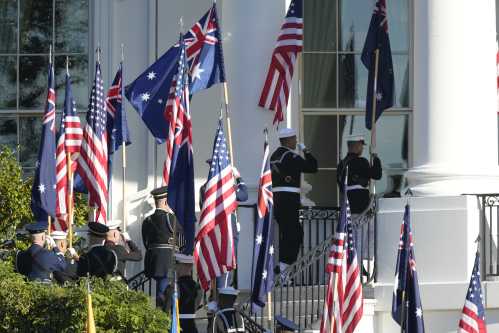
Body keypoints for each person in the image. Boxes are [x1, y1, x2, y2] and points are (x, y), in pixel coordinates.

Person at [271, 127, 318, 275]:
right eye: (294, 139)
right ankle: (284, 269)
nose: (296, 141)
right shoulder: (290, 156)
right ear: (288, 140)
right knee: (294, 235)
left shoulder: (274, 156)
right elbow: (313, 166)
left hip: (277, 199)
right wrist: (306, 150)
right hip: (288, 200)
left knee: (288, 234)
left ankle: (284, 267)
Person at [199, 160, 248, 290]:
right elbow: (244, 195)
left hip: (211, 232)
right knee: (226, 266)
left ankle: (214, 298)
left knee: (214, 265)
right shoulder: (226, 189)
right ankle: (223, 297)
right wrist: (238, 177)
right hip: (226, 232)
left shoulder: (204, 189)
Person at [142, 186, 183, 309]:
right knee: (166, 290)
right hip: (167, 259)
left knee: (162, 289)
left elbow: (146, 242)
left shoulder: (147, 220)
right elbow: (182, 238)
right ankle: (165, 317)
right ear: (166, 201)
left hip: (153, 259)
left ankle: (162, 315)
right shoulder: (171, 218)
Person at [337, 134, 382, 214]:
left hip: (345, 202)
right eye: (361, 146)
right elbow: (377, 174)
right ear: (357, 146)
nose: (362, 148)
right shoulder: (361, 162)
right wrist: (375, 157)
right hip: (360, 202)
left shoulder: (341, 164)